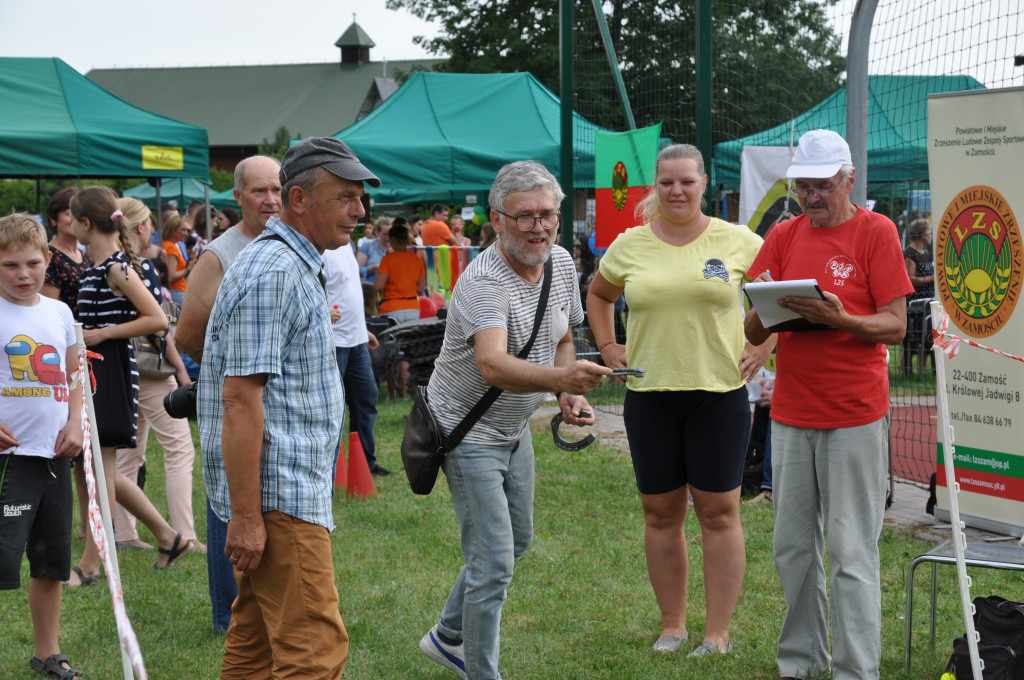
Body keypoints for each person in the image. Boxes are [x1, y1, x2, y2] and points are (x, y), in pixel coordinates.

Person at [418, 161, 608, 680]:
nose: (539, 226)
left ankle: (446, 635)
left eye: (548, 214)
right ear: (498, 221)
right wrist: (562, 382)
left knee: (516, 541)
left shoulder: (562, 263)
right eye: (524, 217)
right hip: (467, 431)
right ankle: (479, 670)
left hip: (513, 427)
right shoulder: (483, 280)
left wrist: (565, 388)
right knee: (494, 563)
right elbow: (492, 364)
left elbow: (566, 333)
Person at [198, 137, 379, 678]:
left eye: (360, 198)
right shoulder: (276, 269)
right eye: (345, 197)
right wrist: (249, 518)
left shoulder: (290, 261)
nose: (360, 211)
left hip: (281, 492)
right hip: (279, 496)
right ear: (299, 200)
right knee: (314, 655)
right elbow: (239, 398)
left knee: (253, 650)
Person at [744, 129, 912, 680]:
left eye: (822, 187)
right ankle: (801, 664)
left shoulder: (877, 231)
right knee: (792, 550)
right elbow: (751, 325)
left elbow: (895, 325)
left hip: (855, 414)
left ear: (848, 179)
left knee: (851, 553)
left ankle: (856, 670)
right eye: (803, 187)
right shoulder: (785, 232)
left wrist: (838, 320)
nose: (811, 197)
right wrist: (765, 303)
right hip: (791, 413)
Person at [587, 143, 767, 657]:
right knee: (660, 513)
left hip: (719, 395)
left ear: (704, 183)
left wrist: (762, 344)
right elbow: (598, 295)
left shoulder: (738, 241)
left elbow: (779, 297)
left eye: (687, 181)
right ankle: (673, 627)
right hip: (649, 394)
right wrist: (607, 345)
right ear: (656, 187)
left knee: (719, 513)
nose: (677, 190)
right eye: (667, 182)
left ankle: (717, 633)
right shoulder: (631, 244)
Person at [175, 154, 282, 634]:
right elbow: (187, 333)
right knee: (228, 499)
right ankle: (228, 617)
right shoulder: (220, 254)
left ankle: (264, 604)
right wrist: (231, 364)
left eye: (278, 190)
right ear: (237, 197)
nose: (271, 200)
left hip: (278, 402)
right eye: (260, 191)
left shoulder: (289, 246)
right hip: (233, 398)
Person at [68, 186, 192, 586]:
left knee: (100, 473)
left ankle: (90, 564)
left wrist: (103, 334)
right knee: (100, 471)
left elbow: (156, 319)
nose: (68, 225)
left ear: (86, 223)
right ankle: (167, 536)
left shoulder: (117, 268)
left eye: (72, 218)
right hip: (93, 371)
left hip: (112, 371)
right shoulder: (97, 264)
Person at [0, 214, 86, 680]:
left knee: (51, 561)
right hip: (7, 462)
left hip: (53, 455)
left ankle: (47, 652)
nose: (23, 274)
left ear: (48, 260)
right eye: (9, 265)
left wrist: (75, 423)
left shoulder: (59, 313)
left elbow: (75, 375)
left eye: (32, 263)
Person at [111, 197, 200, 553]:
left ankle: (124, 532)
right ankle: (185, 534)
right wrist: (179, 368)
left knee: (129, 454)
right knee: (179, 450)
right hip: (150, 367)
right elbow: (158, 326)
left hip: (119, 366)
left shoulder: (104, 264)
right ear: (139, 227)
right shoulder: (140, 266)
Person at [40, 187, 92, 542]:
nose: (73, 219)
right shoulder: (52, 258)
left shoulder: (82, 253)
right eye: (68, 213)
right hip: (60, 355)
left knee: (85, 455)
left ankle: (90, 525)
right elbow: (46, 316)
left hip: (86, 349)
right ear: (55, 218)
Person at [322, 237, 388, 477]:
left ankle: (366, 464)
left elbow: (348, 290)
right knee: (332, 408)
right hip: (333, 341)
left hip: (356, 339)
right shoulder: (318, 245)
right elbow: (304, 289)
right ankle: (329, 470)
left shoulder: (346, 244)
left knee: (367, 400)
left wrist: (362, 329)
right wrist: (321, 312)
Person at [373, 221, 426, 398]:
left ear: (393, 240)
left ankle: (392, 394)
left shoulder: (388, 259)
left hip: (391, 308)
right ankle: (406, 393)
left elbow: (378, 285)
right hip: (412, 308)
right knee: (407, 352)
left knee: (390, 352)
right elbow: (420, 288)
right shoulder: (416, 259)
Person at [902, 216, 935, 372]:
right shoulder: (909, 253)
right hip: (915, 304)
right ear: (922, 235)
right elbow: (910, 279)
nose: (931, 236)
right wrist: (932, 278)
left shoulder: (928, 254)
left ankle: (922, 370)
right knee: (913, 339)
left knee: (930, 335)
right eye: (929, 233)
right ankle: (905, 370)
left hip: (928, 302)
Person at [160, 214, 194, 305]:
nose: (186, 233)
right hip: (176, 291)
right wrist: (188, 269)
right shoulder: (171, 248)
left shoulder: (163, 245)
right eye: (183, 230)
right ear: (172, 230)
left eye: (187, 230)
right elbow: (171, 276)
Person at [357, 215, 391, 283]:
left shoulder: (395, 247)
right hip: (371, 289)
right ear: (377, 232)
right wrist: (374, 267)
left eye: (390, 234)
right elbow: (357, 271)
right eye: (385, 234)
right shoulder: (367, 245)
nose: (388, 237)